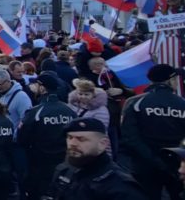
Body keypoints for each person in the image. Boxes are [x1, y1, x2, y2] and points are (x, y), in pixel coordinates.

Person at [120, 64, 185, 199]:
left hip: (144, 163)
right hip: (176, 164)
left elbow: (129, 136)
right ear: (170, 80)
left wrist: (152, 158)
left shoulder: (135, 102)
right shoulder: (181, 103)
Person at [45, 118, 146, 199]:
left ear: (102, 144)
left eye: (81, 139)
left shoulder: (118, 185)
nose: (72, 143)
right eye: (70, 137)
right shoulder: (64, 170)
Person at [18, 73, 77, 200]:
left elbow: (22, 138)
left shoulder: (36, 112)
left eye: (35, 84)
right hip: (65, 163)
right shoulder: (69, 110)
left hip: (40, 165)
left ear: (42, 88)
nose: (32, 87)